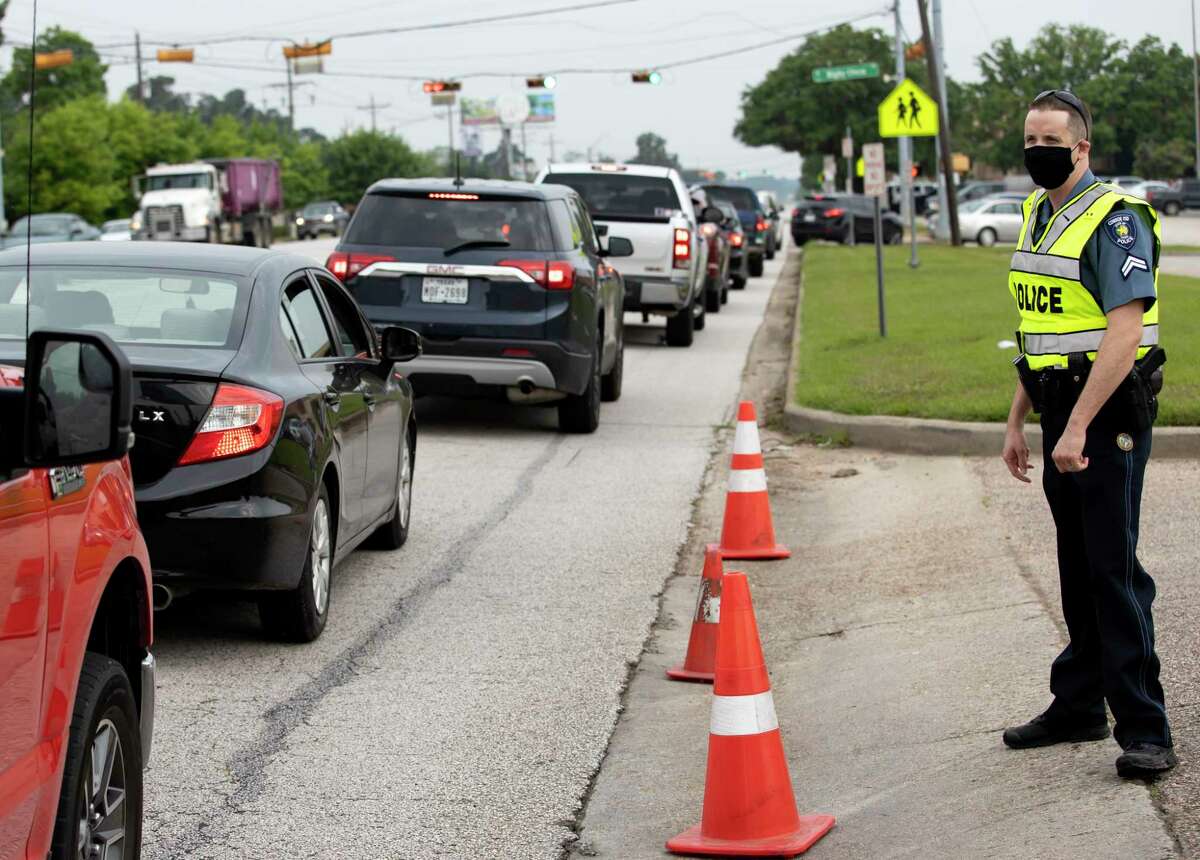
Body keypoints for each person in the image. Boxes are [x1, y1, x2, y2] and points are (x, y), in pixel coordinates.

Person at [1000, 90, 1174, 778]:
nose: (1037, 150)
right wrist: (1019, 418)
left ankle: (1145, 727)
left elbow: (1123, 332)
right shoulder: (1037, 216)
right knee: (1077, 568)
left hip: (1104, 417)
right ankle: (1078, 705)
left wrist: (1075, 429)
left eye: (1051, 141)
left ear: (1081, 149)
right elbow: (1042, 327)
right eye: (1030, 140)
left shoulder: (1115, 220)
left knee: (1114, 570)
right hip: (1056, 406)